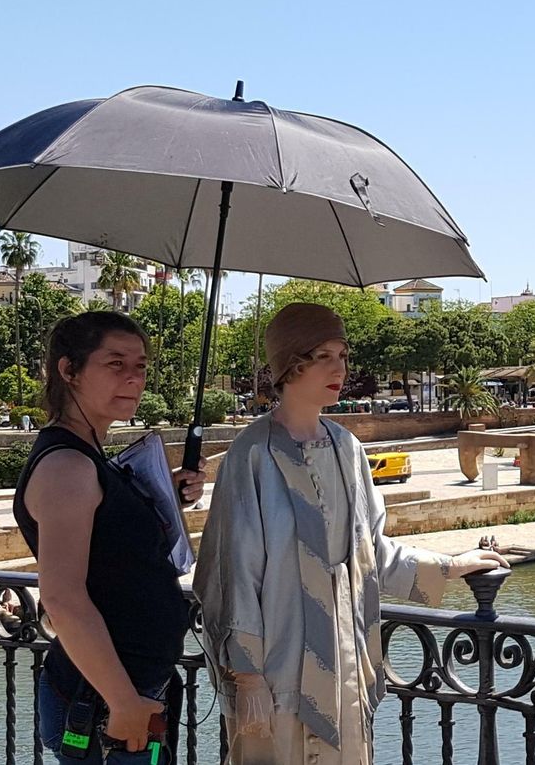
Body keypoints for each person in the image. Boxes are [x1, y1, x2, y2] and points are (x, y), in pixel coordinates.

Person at [196, 303, 508, 764]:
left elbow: (370, 554)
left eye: (342, 355)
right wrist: (246, 675)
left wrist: (451, 566)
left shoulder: (348, 449)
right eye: (323, 356)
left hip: (344, 667)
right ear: (290, 363)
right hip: (276, 676)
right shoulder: (251, 456)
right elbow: (232, 572)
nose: (339, 369)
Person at [13, 312, 207, 762]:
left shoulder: (89, 460)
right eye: (115, 364)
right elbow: (62, 598)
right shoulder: (68, 467)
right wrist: (123, 702)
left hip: (128, 692)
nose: (133, 379)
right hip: (105, 703)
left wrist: (167, 494)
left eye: (140, 366)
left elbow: (112, 546)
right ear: (69, 370)